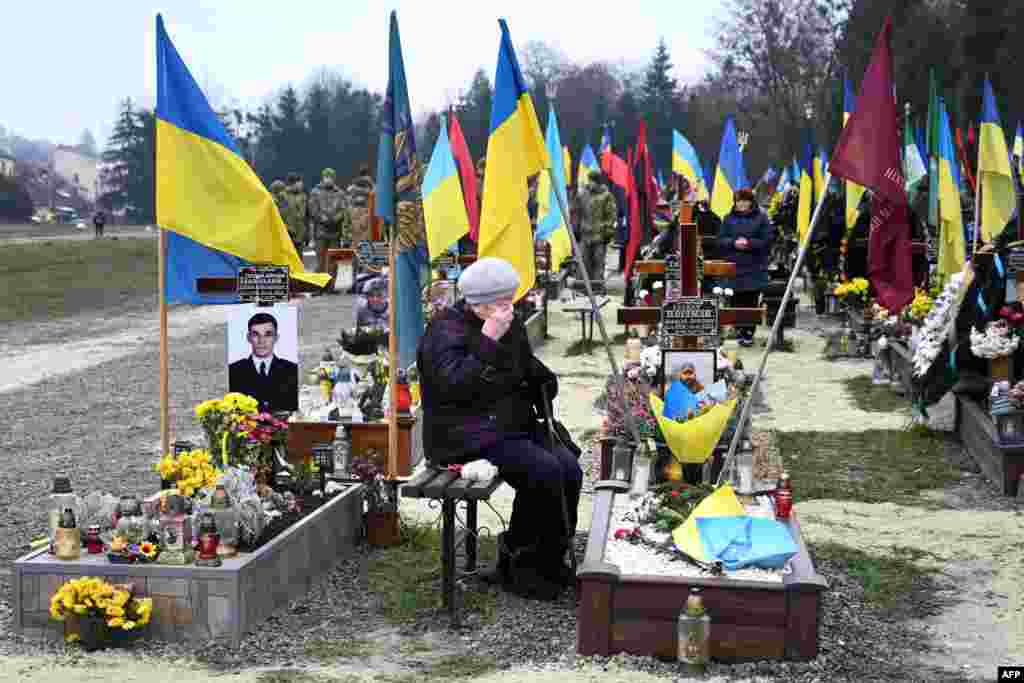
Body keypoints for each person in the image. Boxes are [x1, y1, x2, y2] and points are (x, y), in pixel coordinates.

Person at [417, 257, 582, 600]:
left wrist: (542, 379)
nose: (509, 308)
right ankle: (521, 565)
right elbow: (453, 386)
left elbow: (522, 364)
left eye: (511, 299)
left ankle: (547, 559)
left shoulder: (510, 322)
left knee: (569, 469)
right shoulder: (444, 330)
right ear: (476, 303)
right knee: (544, 471)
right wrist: (488, 340)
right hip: (464, 434)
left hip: (508, 425)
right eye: (501, 302)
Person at [717, 188, 773, 347]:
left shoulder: (761, 218)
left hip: (754, 266)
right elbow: (720, 240)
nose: (741, 204)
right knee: (735, 300)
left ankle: (749, 332)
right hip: (733, 266)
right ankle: (737, 329)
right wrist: (733, 242)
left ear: (751, 202)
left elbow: (767, 240)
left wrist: (749, 243)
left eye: (744, 201)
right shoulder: (728, 219)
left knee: (751, 300)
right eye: (738, 201)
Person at [228, 312, 299, 413]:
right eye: (256, 334)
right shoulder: (233, 370)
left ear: (276, 338)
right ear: (249, 338)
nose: (262, 341)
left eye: (268, 334)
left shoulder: (292, 369)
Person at [575, 171, 617, 294]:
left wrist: (607, 233)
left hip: (599, 236)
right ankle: (584, 288)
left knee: (598, 263)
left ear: (598, 182)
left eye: (592, 181)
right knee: (584, 261)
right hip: (585, 235)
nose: (590, 183)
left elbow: (611, 216)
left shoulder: (606, 196)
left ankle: (597, 288)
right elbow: (578, 213)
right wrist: (577, 229)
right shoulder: (583, 195)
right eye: (589, 180)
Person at [309, 168, 351, 281]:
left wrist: (336, 218)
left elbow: (344, 210)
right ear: (322, 178)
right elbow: (312, 209)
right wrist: (321, 217)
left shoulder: (340, 193)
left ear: (334, 178)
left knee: (334, 261)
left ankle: (331, 285)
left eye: (330, 177)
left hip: (335, 232)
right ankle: (320, 285)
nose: (328, 179)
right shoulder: (315, 192)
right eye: (326, 177)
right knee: (320, 260)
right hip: (320, 232)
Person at [279, 173, 309, 258]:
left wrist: (307, 234)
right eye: (299, 182)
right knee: (288, 259)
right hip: (288, 235)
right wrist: (288, 229)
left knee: (299, 260)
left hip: (300, 235)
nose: (301, 184)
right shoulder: (283, 196)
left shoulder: (303, 196)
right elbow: (281, 216)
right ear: (293, 183)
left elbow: (306, 217)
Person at [346, 165, 375, 247]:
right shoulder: (370, 183)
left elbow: (349, 194)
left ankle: (356, 251)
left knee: (356, 235)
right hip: (364, 211)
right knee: (364, 236)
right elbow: (373, 193)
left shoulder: (353, 184)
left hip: (355, 211)